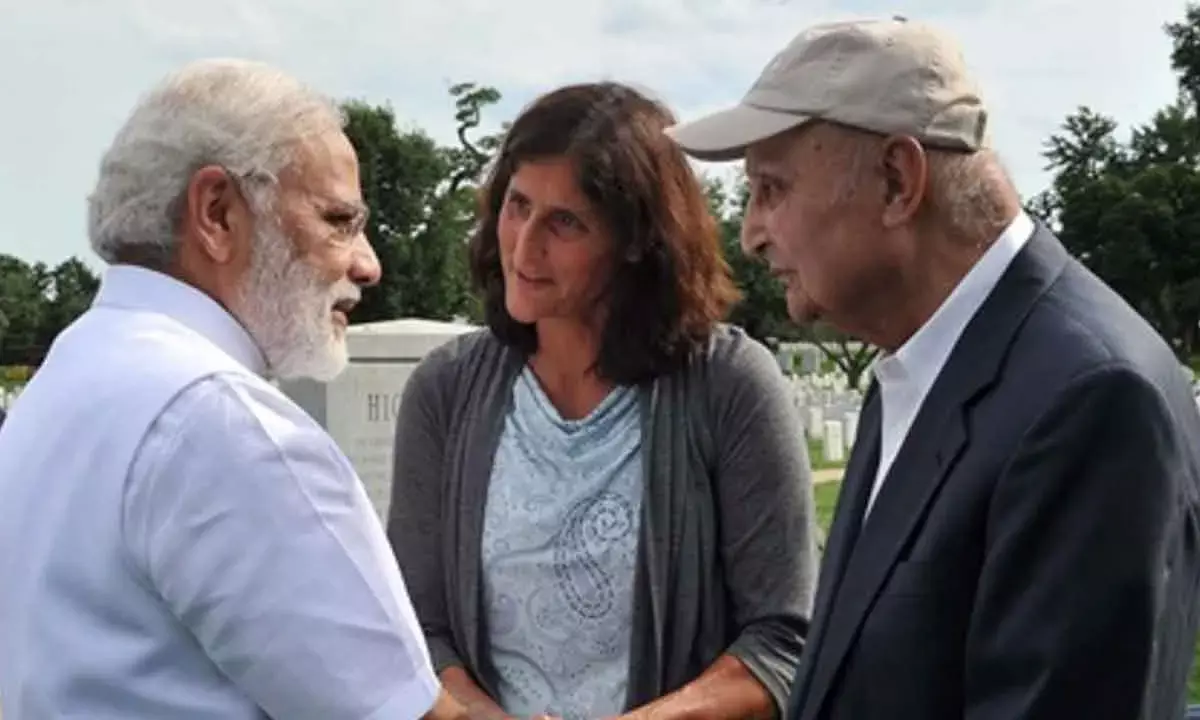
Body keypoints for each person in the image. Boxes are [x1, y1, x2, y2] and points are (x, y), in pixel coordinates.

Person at [666, 16, 1200, 720]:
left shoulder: (1091, 400)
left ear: (897, 180)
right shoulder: (923, 367)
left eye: (772, 189)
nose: (751, 232)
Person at [0, 59, 444, 719]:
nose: (368, 263)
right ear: (217, 213)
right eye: (338, 220)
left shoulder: (74, 371)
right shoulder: (220, 419)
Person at [387, 81, 818, 720]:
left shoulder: (728, 386)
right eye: (517, 205)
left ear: (638, 241)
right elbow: (417, 627)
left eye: (565, 222)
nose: (524, 247)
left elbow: (783, 640)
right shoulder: (446, 391)